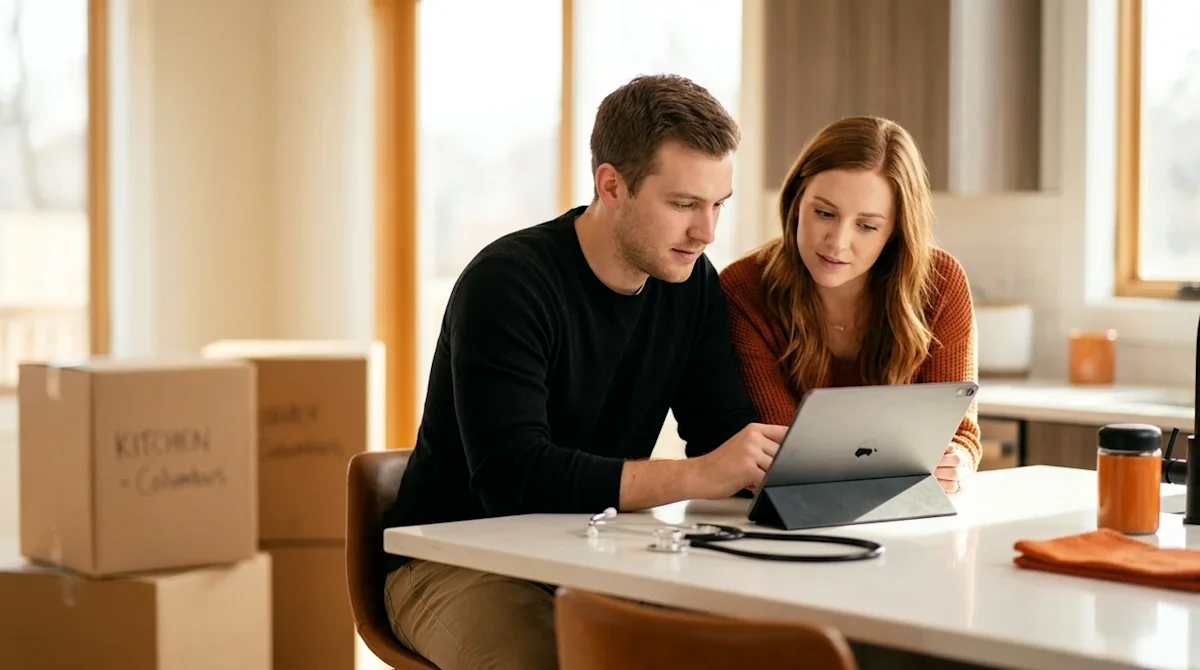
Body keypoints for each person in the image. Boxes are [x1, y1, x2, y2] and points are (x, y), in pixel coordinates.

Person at [380, 74, 786, 670]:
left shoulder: (690, 282)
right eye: (683, 205)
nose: (707, 232)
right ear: (611, 185)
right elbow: (513, 477)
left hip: (594, 550)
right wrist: (697, 475)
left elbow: (722, 430)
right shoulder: (509, 283)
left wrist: (819, 468)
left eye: (718, 204)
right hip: (454, 557)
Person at [719, 115, 981, 493]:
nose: (837, 242)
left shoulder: (940, 283)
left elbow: (960, 433)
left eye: (867, 226)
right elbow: (790, 455)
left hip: (904, 514)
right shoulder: (744, 289)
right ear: (796, 202)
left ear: (895, 232)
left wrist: (958, 461)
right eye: (824, 213)